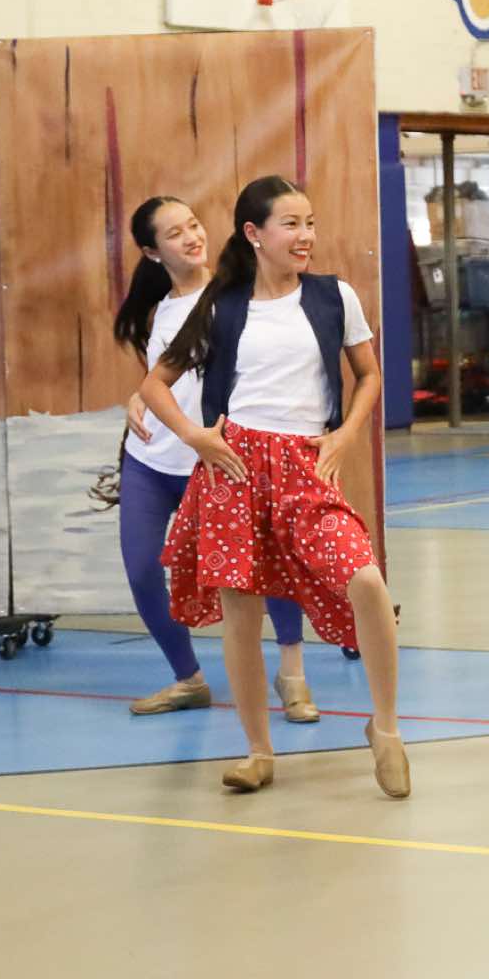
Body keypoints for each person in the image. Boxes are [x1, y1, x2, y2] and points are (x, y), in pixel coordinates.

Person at [144, 176, 408, 796]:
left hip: (305, 466)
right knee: (241, 614)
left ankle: (386, 728)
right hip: (234, 470)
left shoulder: (333, 296)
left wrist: (345, 435)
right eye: (291, 224)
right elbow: (156, 384)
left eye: (309, 222)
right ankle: (257, 751)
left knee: (366, 580)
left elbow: (368, 375)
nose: (306, 235)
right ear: (254, 234)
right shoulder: (220, 304)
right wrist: (197, 437)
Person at [111, 196, 319, 717]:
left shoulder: (239, 296)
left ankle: (293, 675)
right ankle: (188, 678)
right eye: (175, 233)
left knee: (269, 563)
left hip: (219, 459)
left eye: (194, 225)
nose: (191, 237)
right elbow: (167, 373)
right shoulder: (159, 309)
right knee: (141, 569)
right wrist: (139, 395)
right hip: (152, 459)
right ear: (152, 253)